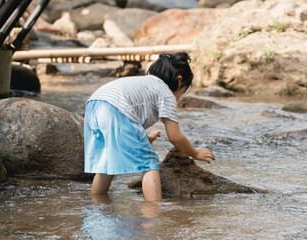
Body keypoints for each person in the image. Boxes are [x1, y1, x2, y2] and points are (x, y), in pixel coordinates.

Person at [84, 52, 215, 202]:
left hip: (94, 104)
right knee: (149, 162)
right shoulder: (166, 93)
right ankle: (152, 213)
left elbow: (124, 124)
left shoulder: (145, 82)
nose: (179, 97)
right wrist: (194, 152)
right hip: (116, 108)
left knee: (106, 163)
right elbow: (174, 136)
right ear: (179, 81)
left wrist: (143, 139)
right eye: (183, 92)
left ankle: (97, 206)